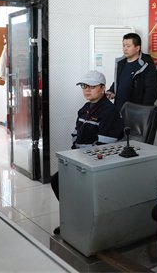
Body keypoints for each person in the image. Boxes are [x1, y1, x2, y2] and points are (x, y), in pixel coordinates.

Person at [50, 70, 123, 234]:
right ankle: (73, 218)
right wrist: (72, 156)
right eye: (84, 86)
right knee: (57, 181)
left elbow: (103, 148)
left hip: (96, 163)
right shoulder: (85, 108)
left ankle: (81, 221)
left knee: (62, 182)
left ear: (102, 88)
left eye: (91, 86)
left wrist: (79, 160)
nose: (86, 90)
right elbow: (76, 135)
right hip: (81, 158)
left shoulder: (108, 111)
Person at [106, 33, 157, 111]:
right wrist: (111, 91)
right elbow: (118, 81)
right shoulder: (120, 63)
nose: (125, 49)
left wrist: (143, 112)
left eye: (128, 46)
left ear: (137, 48)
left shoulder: (147, 66)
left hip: (136, 112)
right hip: (119, 109)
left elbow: (150, 93)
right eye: (123, 46)